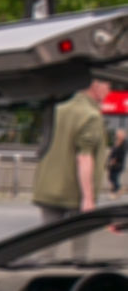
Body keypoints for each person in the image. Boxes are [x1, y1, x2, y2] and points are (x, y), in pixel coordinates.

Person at [34, 76, 111, 222]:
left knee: (50, 239)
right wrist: (88, 198)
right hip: (73, 195)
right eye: (107, 86)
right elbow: (84, 157)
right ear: (95, 86)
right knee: (78, 241)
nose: (109, 91)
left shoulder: (57, 110)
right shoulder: (91, 116)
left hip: (47, 189)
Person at [109, 128, 127, 199]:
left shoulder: (124, 143)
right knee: (111, 177)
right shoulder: (117, 141)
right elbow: (113, 151)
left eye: (118, 134)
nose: (116, 135)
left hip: (118, 164)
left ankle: (118, 189)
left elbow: (121, 154)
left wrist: (115, 159)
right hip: (113, 164)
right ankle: (114, 192)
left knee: (114, 178)